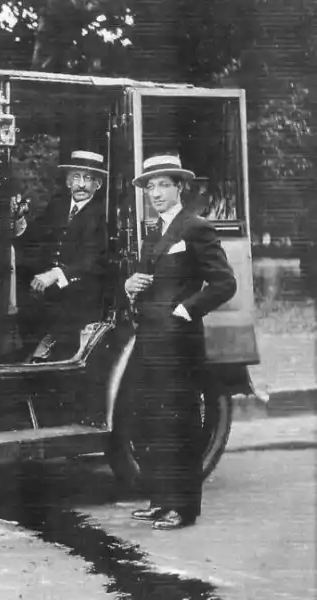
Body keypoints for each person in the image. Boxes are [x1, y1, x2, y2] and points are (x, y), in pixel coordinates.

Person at [124, 154, 237, 530]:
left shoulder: (195, 227)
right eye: (150, 187)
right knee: (152, 420)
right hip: (149, 340)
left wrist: (185, 312)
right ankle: (160, 500)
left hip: (178, 342)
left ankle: (183, 508)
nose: (155, 193)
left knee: (181, 422)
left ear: (179, 188)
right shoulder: (154, 231)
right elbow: (146, 279)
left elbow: (224, 284)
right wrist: (130, 286)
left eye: (163, 185)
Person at [9, 149, 109, 362]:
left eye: (88, 179)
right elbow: (34, 234)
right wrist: (18, 219)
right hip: (48, 284)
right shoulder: (59, 205)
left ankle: (45, 350)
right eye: (76, 177)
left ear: (98, 185)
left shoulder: (102, 214)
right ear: (68, 182)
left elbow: (93, 260)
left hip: (81, 286)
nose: (81, 184)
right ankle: (20, 350)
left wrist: (57, 273)